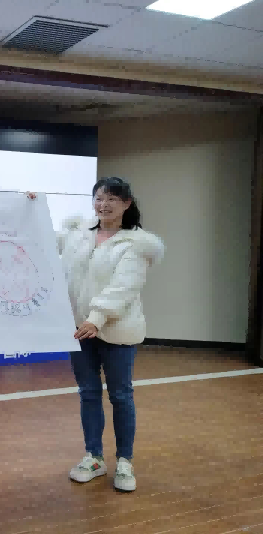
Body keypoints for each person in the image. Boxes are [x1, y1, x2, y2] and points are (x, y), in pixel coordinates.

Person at [50, 176, 164, 492]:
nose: (104, 205)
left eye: (112, 198)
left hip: (117, 330)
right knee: (88, 393)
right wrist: (29, 207)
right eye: (99, 198)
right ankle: (94, 457)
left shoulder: (137, 244)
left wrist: (96, 319)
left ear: (127, 204)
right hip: (79, 329)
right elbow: (42, 241)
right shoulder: (79, 235)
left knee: (120, 395)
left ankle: (125, 461)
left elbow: (124, 287)